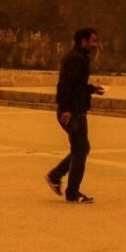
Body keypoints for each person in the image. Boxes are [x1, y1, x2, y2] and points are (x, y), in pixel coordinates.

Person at [45, 28, 104, 204]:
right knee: (80, 150)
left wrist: (92, 89)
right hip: (73, 112)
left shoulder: (80, 58)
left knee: (81, 149)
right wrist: (66, 109)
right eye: (93, 41)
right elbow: (65, 85)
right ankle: (72, 192)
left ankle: (55, 176)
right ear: (83, 42)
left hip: (76, 110)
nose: (96, 45)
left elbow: (77, 85)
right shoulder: (76, 59)